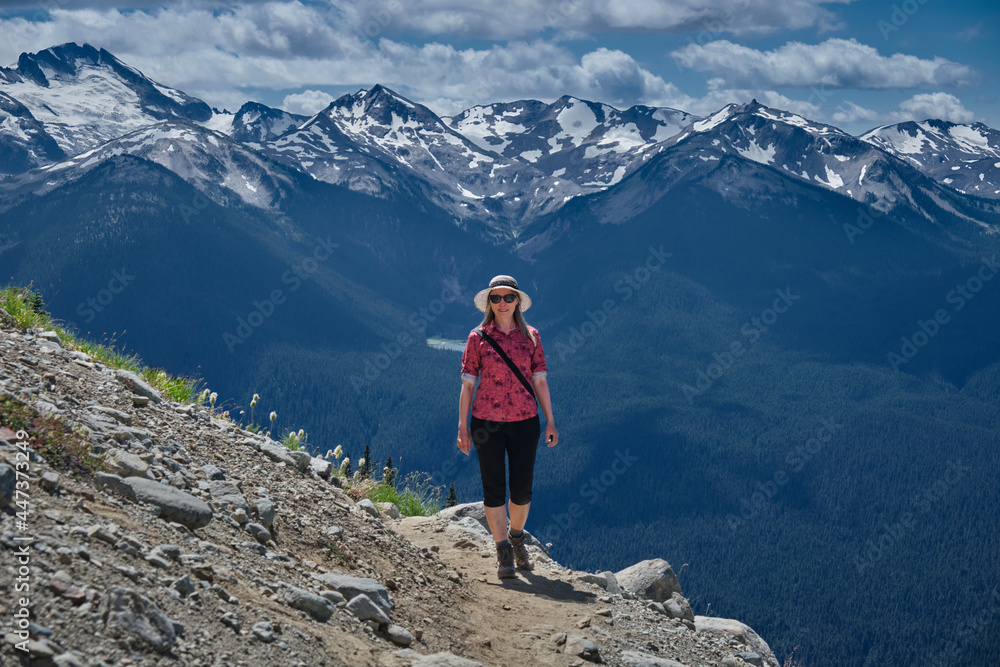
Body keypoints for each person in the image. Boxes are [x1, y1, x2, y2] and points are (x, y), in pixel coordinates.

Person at [457, 274, 558, 579]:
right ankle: (503, 550)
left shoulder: (532, 337)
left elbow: (539, 380)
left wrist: (550, 419)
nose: (503, 303)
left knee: (522, 489)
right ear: (489, 302)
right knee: (493, 488)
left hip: (525, 421)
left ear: (518, 301)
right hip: (485, 421)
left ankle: (517, 536)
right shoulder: (477, 337)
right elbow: (467, 384)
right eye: (496, 298)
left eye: (508, 297)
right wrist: (462, 426)